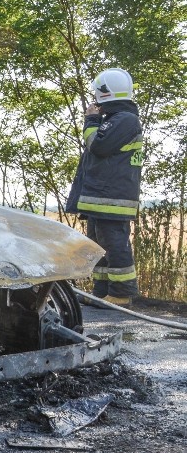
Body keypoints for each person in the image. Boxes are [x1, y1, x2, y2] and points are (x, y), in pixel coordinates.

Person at [66, 67, 143, 305]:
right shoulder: (115, 120)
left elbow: (98, 147)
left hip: (112, 198)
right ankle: (102, 293)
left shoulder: (124, 120)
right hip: (101, 197)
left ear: (104, 94)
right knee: (98, 246)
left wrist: (90, 120)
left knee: (114, 243)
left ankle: (121, 294)